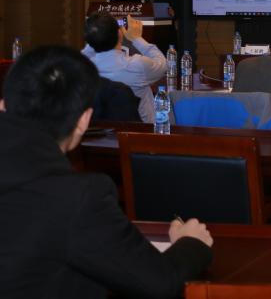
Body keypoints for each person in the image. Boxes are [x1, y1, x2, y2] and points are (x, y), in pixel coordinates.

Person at [0, 45, 213, 297]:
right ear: (84, 120)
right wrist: (191, 243)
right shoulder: (76, 197)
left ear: (3, 105)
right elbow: (161, 281)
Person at [81, 13, 168, 123]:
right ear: (120, 34)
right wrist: (137, 38)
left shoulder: (83, 68)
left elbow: (81, 56)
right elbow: (163, 64)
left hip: (98, 131)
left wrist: (96, 37)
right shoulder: (137, 65)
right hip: (140, 130)